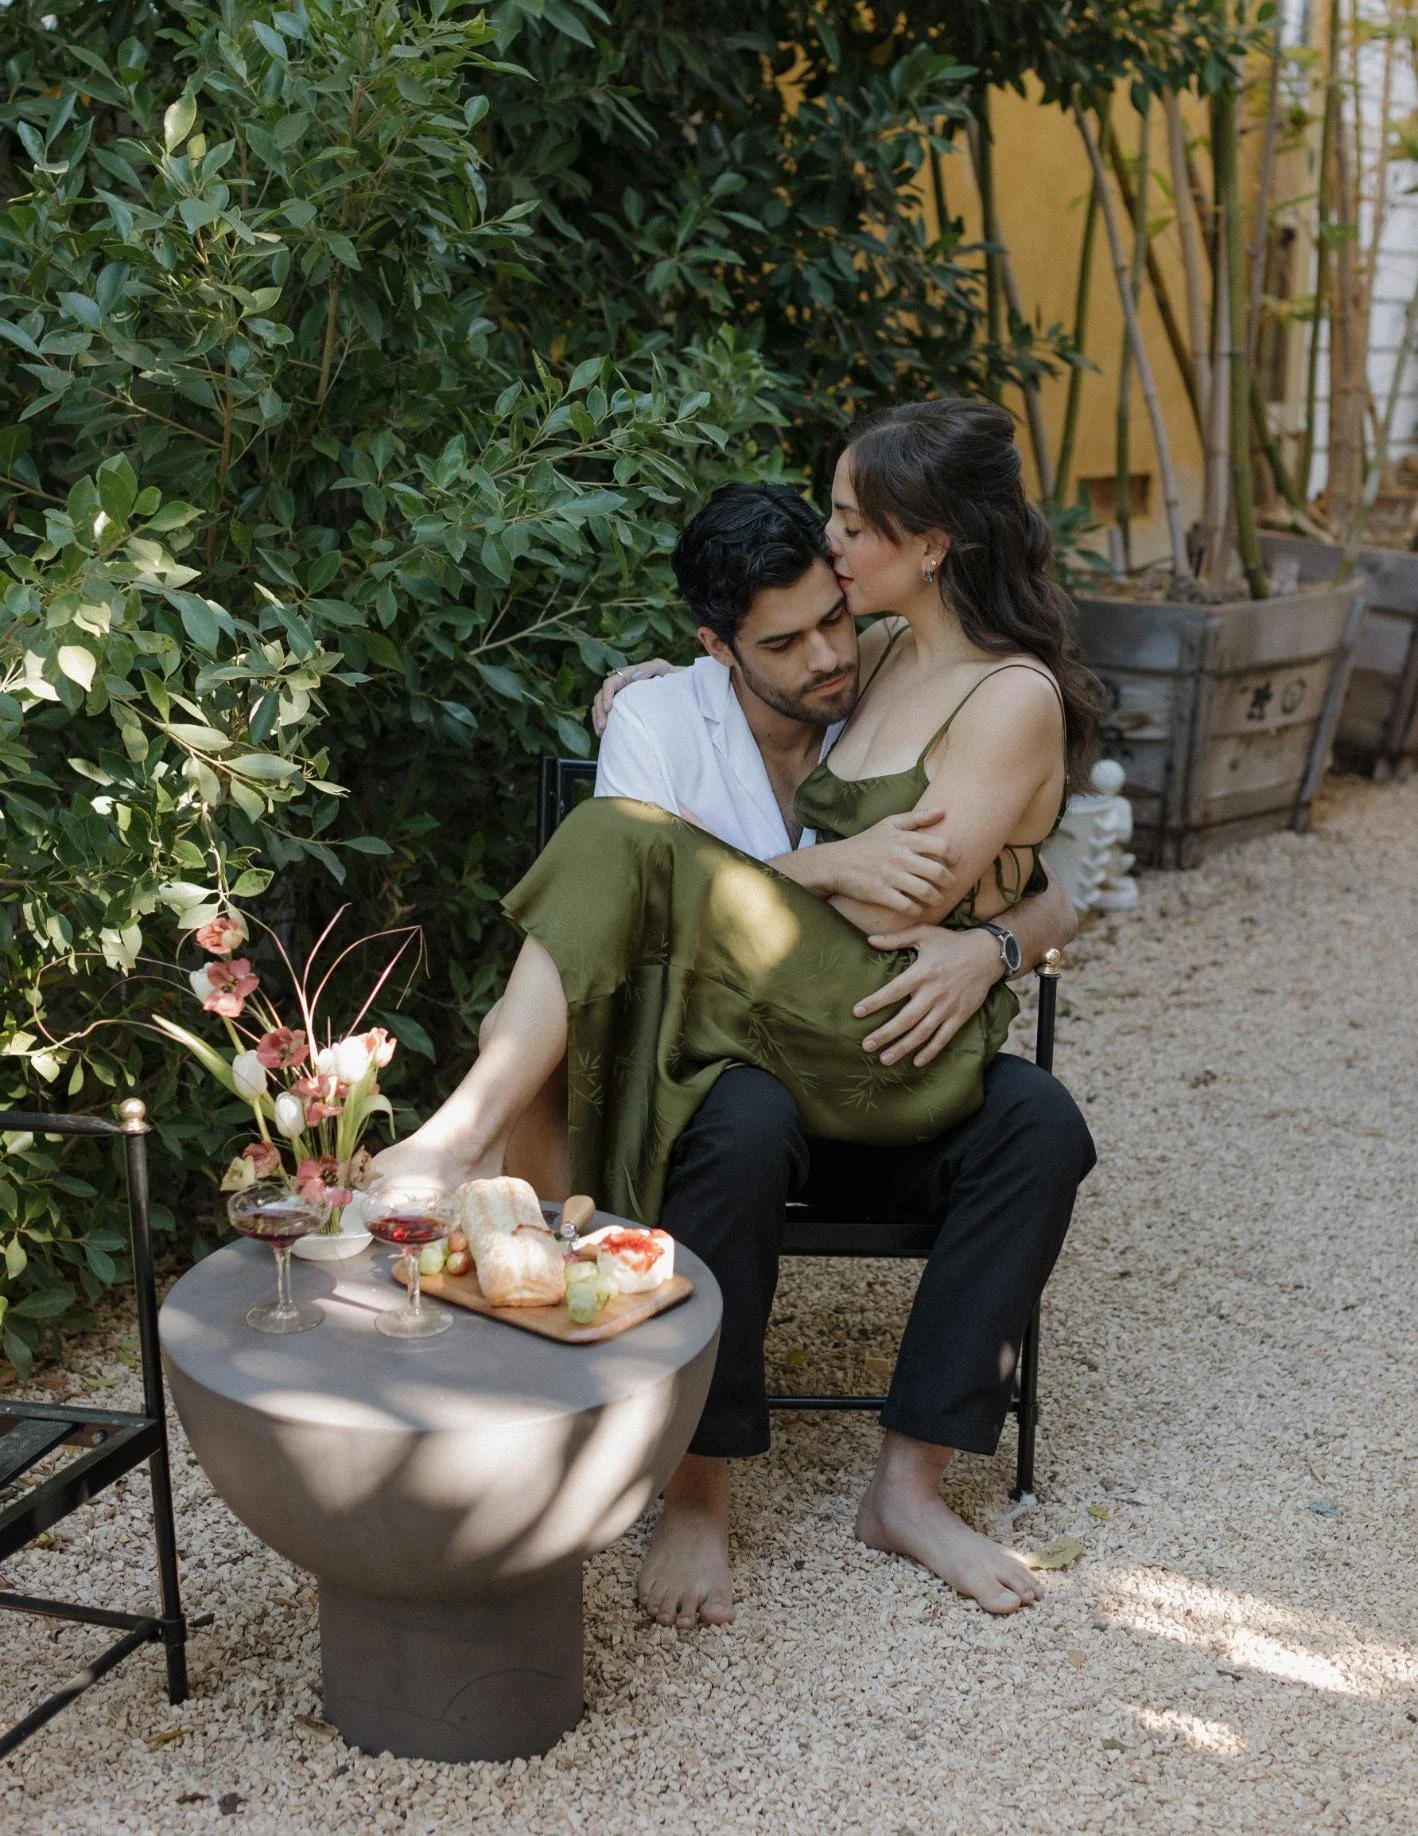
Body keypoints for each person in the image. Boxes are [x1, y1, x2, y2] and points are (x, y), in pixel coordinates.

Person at [374, 397, 1100, 1621]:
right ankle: (694, 1489)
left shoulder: (1000, 694)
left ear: (927, 546)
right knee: (655, 911)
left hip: (883, 1034)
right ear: (726, 646)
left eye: (850, 524)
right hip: (787, 1038)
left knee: (623, 845)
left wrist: (988, 944)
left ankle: (461, 1135)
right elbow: (820, 850)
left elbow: (925, 905)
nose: (832, 546)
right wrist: (670, 698)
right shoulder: (872, 658)